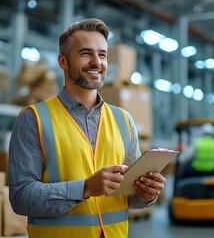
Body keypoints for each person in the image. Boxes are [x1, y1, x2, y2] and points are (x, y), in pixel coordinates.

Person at [8, 18, 165, 238]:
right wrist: (85, 188)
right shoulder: (33, 119)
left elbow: (131, 197)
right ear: (63, 61)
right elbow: (21, 198)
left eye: (102, 54)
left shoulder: (123, 120)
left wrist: (148, 193)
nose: (96, 62)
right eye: (85, 53)